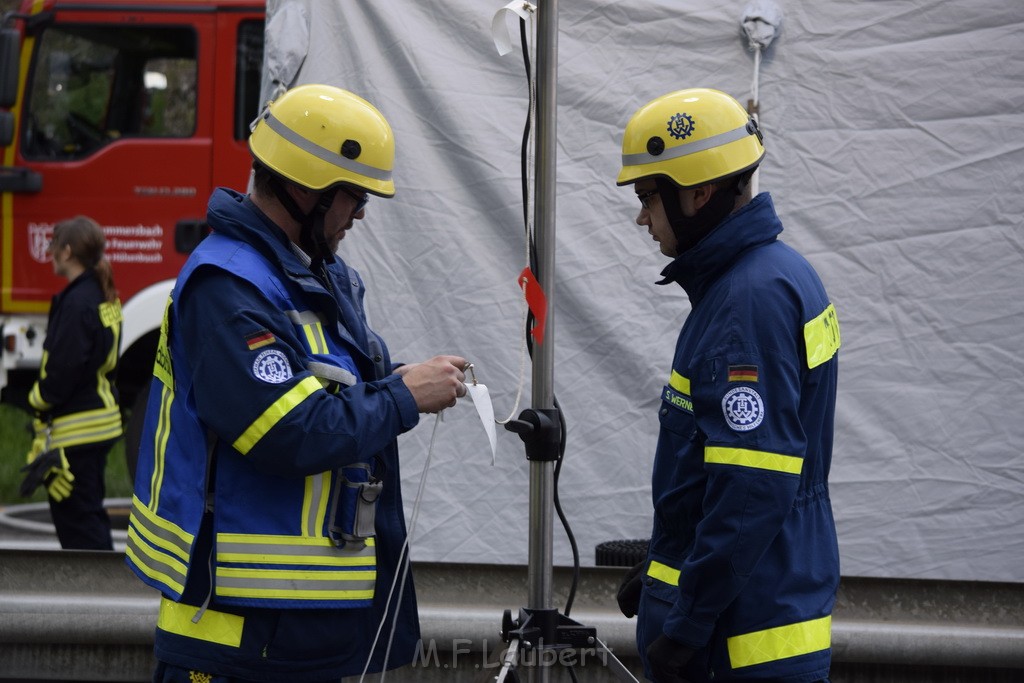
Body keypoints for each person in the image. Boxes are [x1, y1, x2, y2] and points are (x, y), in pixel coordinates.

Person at [124, 84, 468, 683]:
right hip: (238, 632)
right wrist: (403, 396)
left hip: (297, 624)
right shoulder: (229, 289)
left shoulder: (306, 274)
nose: (360, 214)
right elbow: (290, 431)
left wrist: (399, 379)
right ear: (307, 189)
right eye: (355, 196)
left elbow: (327, 387)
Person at [613, 88, 841, 683]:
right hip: (764, 604)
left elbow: (750, 485)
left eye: (647, 197)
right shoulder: (777, 273)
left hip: (737, 640)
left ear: (697, 193)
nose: (643, 217)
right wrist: (667, 565)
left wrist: (687, 622)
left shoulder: (745, 302)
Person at [21, 215, 122, 550]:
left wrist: (38, 399)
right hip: (98, 422)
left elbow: (64, 368)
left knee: (79, 523)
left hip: (78, 429)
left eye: (53, 246)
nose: (48, 252)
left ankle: (94, 594)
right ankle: (98, 591)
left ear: (67, 252)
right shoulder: (101, 293)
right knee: (88, 513)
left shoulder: (78, 302)